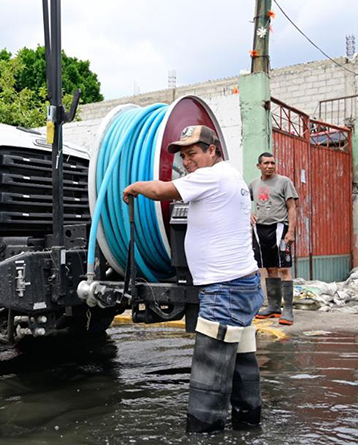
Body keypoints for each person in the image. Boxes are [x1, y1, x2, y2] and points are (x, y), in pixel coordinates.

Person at [122, 125, 262, 434]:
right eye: (183, 157)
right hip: (241, 284)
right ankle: (248, 425)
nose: (188, 162)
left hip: (224, 289)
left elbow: (160, 191)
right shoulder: (231, 175)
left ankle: (203, 434)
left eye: (193, 153)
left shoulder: (210, 176)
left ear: (212, 150)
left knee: (210, 370)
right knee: (241, 361)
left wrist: (134, 187)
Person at [250, 152, 299, 326]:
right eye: (266, 163)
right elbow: (243, 202)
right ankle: (273, 306)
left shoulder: (284, 182)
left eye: (272, 163)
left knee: (283, 268)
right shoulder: (254, 184)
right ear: (259, 166)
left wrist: (291, 231)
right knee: (269, 267)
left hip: (280, 227)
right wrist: (249, 214)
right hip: (260, 229)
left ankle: (288, 310)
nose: (270, 166)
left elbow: (292, 208)